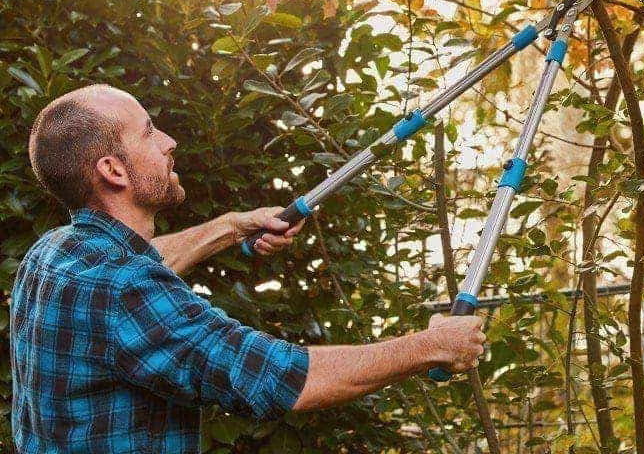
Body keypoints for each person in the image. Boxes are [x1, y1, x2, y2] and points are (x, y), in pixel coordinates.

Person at [10, 84, 485, 453]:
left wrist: (230, 228)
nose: (170, 141)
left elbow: (141, 263)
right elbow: (286, 379)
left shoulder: (56, 253)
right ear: (113, 171)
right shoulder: (125, 291)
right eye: (150, 132)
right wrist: (432, 346)